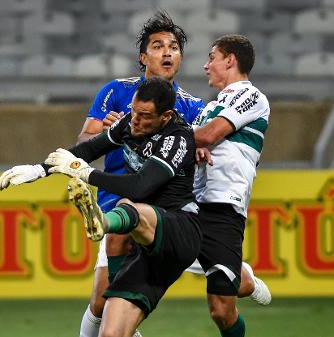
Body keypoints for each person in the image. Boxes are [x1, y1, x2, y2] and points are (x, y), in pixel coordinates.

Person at [75, 10, 270, 337]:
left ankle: (242, 276)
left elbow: (201, 140)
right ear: (143, 56)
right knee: (100, 301)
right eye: (157, 45)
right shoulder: (117, 91)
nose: (167, 51)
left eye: (174, 46)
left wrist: (198, 146)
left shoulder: (194, 106)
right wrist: (103, 135)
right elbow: (84, 141)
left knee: (220, 298)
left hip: (170, 214)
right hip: (119, 204)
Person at [0, 77, 202, 337]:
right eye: (133, 111)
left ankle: (103, 222)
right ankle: (105, 223)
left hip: (178, 230)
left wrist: (86, 175)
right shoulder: (130, 122)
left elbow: (141, 186)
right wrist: (39, 169)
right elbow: (90, 149)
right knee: (110, 332)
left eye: (145, 115)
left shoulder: (178, 138)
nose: (135, 120)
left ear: (166, 116)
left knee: (129, 204)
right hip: (144, 248)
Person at [192, 34, 271, 337]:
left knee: (221, 311)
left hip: (224, 203)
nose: (206, 65)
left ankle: (243, 278)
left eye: (212, 57)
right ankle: (124, 320)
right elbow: (195, 139)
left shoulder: (251, 96)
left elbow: (210, 135)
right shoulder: (208, 107)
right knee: (149, 243)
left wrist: (180, 137)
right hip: (193, 198)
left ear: (230, 60)